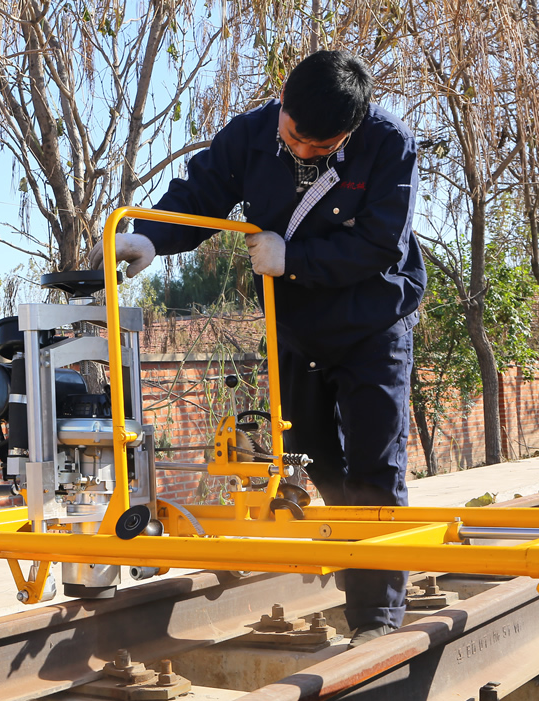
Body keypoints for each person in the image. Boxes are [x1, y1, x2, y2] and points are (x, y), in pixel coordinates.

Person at [90, 50, 426, 647]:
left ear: (351, 131)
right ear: (283, 105)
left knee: (375, 468)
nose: (304, 152)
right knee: (313, 452)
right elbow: (201, 194)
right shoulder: (249, 135)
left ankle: (377, 619)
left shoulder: (389, 145)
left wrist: (294, 258)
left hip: (372, 325)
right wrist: (149, 238)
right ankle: (356, 558)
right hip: (296, 324)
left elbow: (380, 244)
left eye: (322, 147)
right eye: (294, 137)